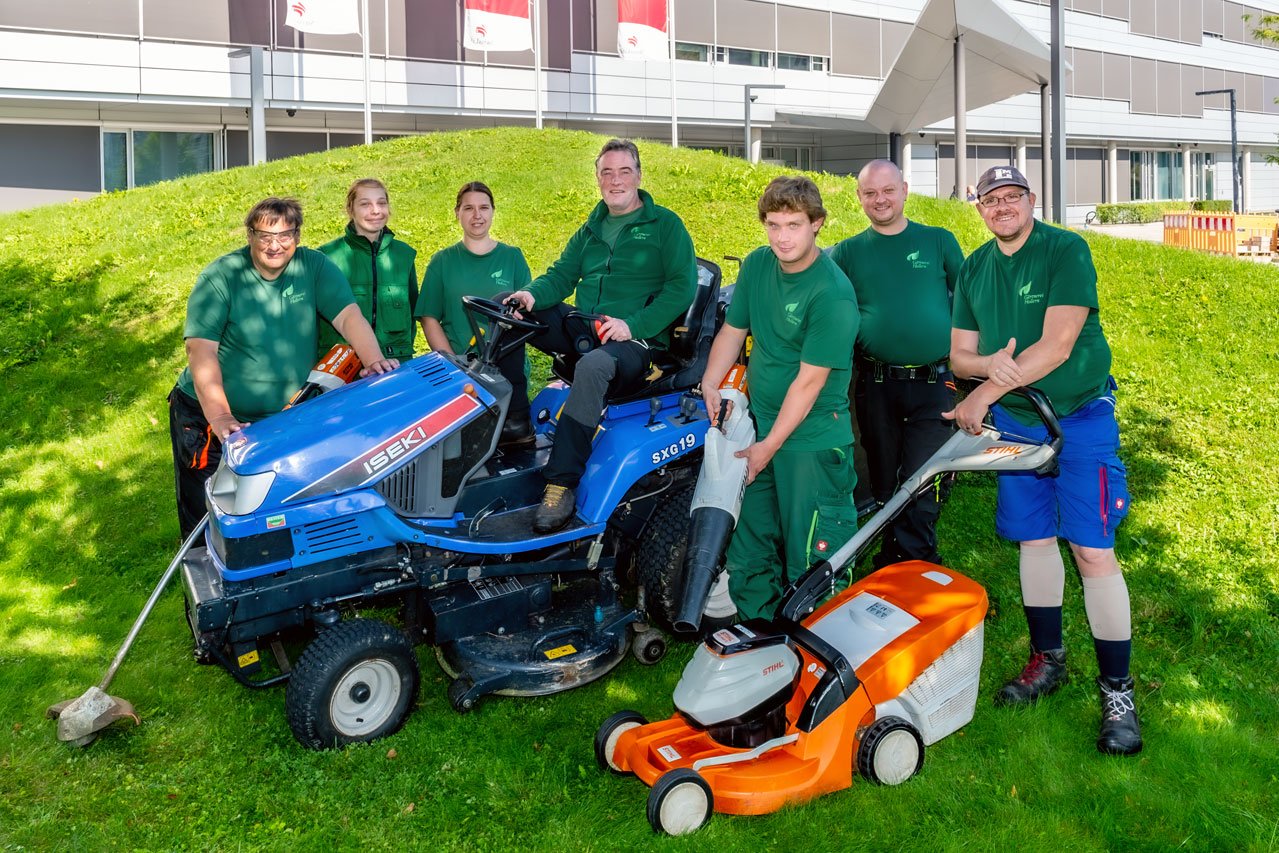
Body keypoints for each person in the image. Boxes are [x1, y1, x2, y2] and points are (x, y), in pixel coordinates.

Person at [945, 165, 1141, 756]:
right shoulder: (976, 267)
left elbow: (1057, 346)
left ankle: (1119, 692)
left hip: (1078, 416)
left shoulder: (1065, 250)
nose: (1002, 207)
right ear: (979, 207)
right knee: (1033, 541)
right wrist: (991, 370)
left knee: (1091, 549)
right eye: (991, 199)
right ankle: (1048, 660)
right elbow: (960, 356)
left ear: (1032, 201)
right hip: (1019, 422)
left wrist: (984, 392)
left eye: (1013, 197)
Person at [169, 197, 397, 540]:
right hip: (207, 418)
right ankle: (204, 583)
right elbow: (200, 350)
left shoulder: (314, 267)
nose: (274, 245)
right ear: (249, 236)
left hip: (280, 418)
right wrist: (219, 417)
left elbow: (349, 316)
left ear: (298, 235)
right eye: (264, 236)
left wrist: (373, 360)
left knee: (267, 508)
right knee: (207, 511)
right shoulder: (221, 276)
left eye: (285, 235)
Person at [506, 139, 697, 533]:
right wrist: (529, 295)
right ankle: (514, 424)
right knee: (507, 311)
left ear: (639, 176)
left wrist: (635, 325)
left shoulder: (665, 226)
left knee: (594, 365)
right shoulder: (591, 228)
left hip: (636, 345)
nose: (615, 180)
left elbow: (682, 287)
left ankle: (561, 483)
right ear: (597, 178)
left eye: (624, 171)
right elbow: (561, 275)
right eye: (607, 172)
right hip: (588, 327)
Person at [701, 176, 859, 622]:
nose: (782, 237)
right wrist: (711, 383)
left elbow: (809, 384)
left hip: (809, 439)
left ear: (817, 225)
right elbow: (733, 331)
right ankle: (761, 635)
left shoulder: (832, 293)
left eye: (793, 225)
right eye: (773, 225)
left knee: (810, 552)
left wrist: (767, 449)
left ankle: (816, 647)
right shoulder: (756, 265)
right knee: (750, 543)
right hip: (757, 426)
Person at [829, 159, 964, 568]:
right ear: (859, 199)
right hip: (877, 384)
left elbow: (971, 302)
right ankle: (893, 561)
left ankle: (916, 566)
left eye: (888, 190)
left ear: (905, 190)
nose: (880, 199)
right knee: (886, 482)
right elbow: (828, 306)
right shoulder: (848, 253)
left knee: (922, 483)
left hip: (936, 382)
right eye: (870, 193)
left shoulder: (938, 241)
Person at [415, 181, 533, 445]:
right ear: (457, 213)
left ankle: (516, 418)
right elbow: (429, 318)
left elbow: (525, 315)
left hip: (505, 372)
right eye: (468, 208)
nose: (476, 215)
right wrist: (451, 364)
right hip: (461, 371)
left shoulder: (512, 258)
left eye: (483, 207)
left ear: (493, 212)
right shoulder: (442, 262)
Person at [317, 178, 419, 361]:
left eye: (381, 203)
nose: (376, 211)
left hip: (395, 364)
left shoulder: (404, 256)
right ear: (350, 209)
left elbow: (411, 312)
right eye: (365, 204)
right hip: (343, 368)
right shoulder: (326, 257)